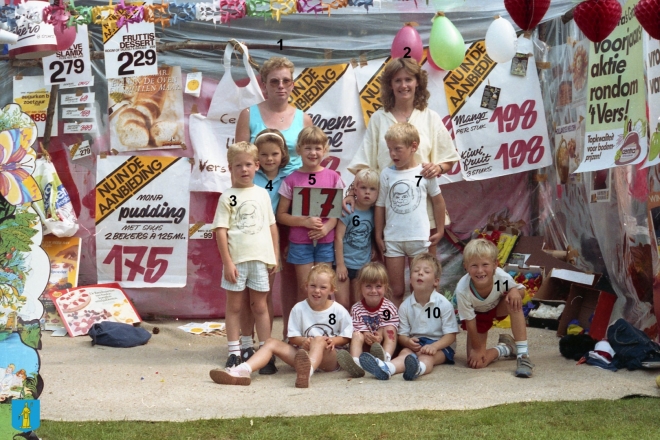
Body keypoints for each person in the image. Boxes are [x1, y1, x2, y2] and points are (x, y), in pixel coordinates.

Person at [345, 57, 460, 255]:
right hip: (388, 211)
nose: (403, 85)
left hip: (424, 213)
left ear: (418, 82)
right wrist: (350, 192)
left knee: (424, 273)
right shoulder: (379, 118)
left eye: (408, 79)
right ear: (390, 85)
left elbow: (447, 158)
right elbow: (365, 164)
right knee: (391, 278)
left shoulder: (429, 117)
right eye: (397, 80)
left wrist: (438, 168)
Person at [235, 57, 313, 342]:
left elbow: (310, 165)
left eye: (286, 81)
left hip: (293, 205)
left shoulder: (303, 118)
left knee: (295, 276)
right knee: (259, 281)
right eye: (274, 81)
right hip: (258, 206)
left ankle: (292, 337)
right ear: (264, 85)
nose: (281, 86)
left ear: (292, 84)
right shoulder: (249, 114)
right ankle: (254, 341)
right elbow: (237, 161)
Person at [210, 264, 352, 388]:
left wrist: (332, 341)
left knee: (319, 339)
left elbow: (347, 336)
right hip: (302, 355)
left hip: (329, 358)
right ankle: (242, 370)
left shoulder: (338, 310)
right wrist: (303, 341)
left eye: (323, 287)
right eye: (313, 286)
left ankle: (306, 374)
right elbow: (292, 337)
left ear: (332, 290)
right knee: (270, 342)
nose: (317, 291)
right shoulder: (299, 308)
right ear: (306, 286)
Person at [211, 142, 279, 369]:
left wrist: (275, 256)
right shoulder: (227, 197)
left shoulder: (262, 194)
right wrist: (227, 262)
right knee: (235, 307)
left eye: (248, 164)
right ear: (230, 168)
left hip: (260, 260)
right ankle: (234, 351)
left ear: (257, 166)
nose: (244, 169)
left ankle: (265, 351)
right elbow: (221, 230)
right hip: (237, 262)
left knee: (259, 306)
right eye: (238, 165)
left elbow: (271, 226)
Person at [375, 122, 446, 307]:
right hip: (393, 240)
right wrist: (378, 234)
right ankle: (395, 331)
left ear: (413, 146)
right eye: (390, 149)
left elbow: (438, 201)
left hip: (419, 239)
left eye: (398, 149)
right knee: (396, 290)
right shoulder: (386, 174)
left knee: (421, 288)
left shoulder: (424, 172)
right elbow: (380, 205)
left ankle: (424, 328)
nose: (393, 154)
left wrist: (440, 229)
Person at [360, 253, 458, 381]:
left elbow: (451, 335)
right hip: (417, 343)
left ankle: (418, 369)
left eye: (426, 271)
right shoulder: (405, 306)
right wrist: (407, 342)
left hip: (441, 346)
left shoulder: (443, 304)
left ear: (436, 281)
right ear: (410, 279)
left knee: (427, 358)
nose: (420, 273)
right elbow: (402, 335)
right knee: (404, 353)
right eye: (416, 271)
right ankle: (386, 368)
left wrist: (434, 346)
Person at [239, 129, 290, 375]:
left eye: (275, 154)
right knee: (249, 297)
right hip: (250, 239)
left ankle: (266, 344)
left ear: (283, 155)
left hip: (274, 236)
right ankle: (246, 343)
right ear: (257, 159)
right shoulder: (251, 178)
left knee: (265, 295)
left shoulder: (289, 176)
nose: (270, 159)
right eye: (264, 155)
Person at [277, 126, 344, 305]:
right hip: (300, 243)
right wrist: (304, 222)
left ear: (325, 150)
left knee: (325, 287)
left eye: (317, 148)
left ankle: (324, 328)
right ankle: (303, 329)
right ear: (299, 149)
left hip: (325, 242)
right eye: (308, 148)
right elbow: (281, 215)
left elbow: (336, 213)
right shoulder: (291, 179)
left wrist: (326, 228)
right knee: (305, 288)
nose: (313, 153)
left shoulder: (333, 177)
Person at [455, 238, 534, 378]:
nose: (480, 270)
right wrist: (478, 349)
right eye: (474, 265)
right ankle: (506, 348)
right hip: (477, 316)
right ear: (465, 266)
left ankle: (523, 355)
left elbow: (521, 291)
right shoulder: (463, 289)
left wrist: (515, 291)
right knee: (476, 363)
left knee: (514, 301)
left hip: (497, 307)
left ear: (495, 265)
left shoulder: (500, 278)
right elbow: (470, 322)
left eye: (485, 264)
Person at [336, 262, 399, 378]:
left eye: (378, 286)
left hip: (382, 343)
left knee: (390, 330)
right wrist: (366, 335)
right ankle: (356, 363)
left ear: (385, 287)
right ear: (360, 287)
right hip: (365, 346)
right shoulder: (356, 309)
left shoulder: (388, 308)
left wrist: (379, 336)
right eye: (368, 286)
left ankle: (385, 360)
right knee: (356, 334)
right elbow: (358, 328)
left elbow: (387, 325)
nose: (373, 291)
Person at [334, 168, 379, 309]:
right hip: (344, 264)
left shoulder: (375, 212)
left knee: (357, 305)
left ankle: (356, 331)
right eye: (363, 188)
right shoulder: (348, 209)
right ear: (355, 189)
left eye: (372, 189)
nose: (367, 192)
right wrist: (340, 265)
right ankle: (342, 331)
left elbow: (370, 232)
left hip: (362, 266)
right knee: (343, 303)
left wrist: (372, 247)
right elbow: (338, 237)